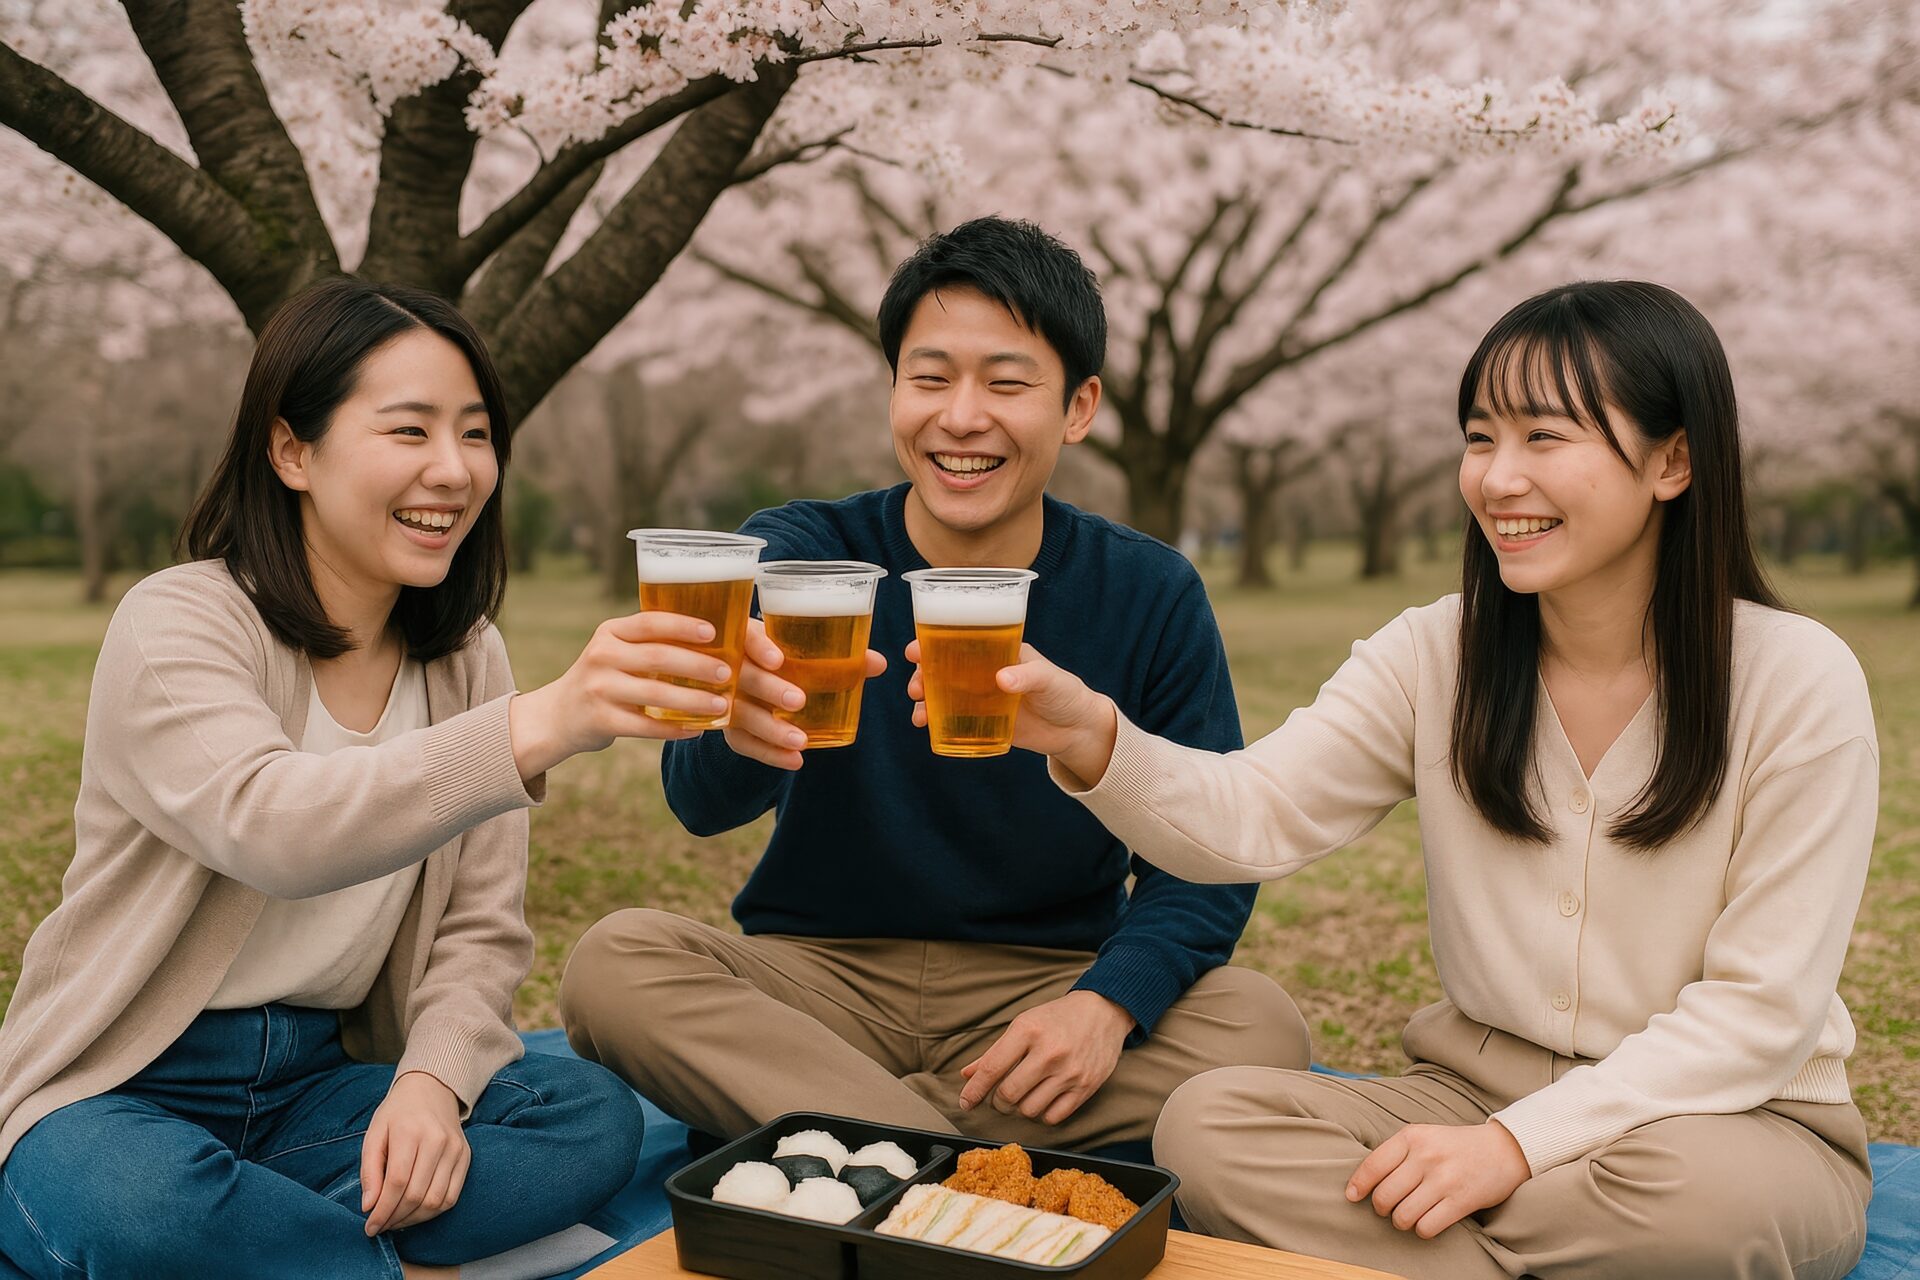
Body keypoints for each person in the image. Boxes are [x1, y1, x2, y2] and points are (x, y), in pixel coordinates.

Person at [961, 280, 1876, 1278]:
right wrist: (1095, 735)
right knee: (1210, 1122)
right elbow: (1253, 818)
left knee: (1710, 1212)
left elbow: (1758, 1016)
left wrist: (1513, 1150)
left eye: (1545, 437)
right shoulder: (1434, 652)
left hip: (1722, 1120)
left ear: (1674, 459)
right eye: (1481, 438)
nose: (1497, 478)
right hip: (1466, 1094)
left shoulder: (1796, 678)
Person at [0, 278, 734, 1280]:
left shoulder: (465, 654)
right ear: (291, 447)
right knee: (143, 1205)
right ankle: (334, 1250)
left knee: (586, 1112)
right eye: (410, 430)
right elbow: (276, 827)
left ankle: (275, 1241)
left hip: (322, 1085)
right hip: (126, 1080)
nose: (452, 469)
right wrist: (546, 722)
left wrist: (430, 1084)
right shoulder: (179, 623)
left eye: (475, 434)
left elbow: (481, 928)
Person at [559, 217, 1307, 1152]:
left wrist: (1108, 1005)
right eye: (930, 377)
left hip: (1040, 992)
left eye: (1006, 382)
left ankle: (842, 1131)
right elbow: (699, 806)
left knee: (1260, 1022)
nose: (961, 417)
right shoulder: (801, 555)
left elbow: (1206, 855)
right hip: (820, 980)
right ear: (893, 392)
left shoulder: (1149, 590)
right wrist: (739, 730)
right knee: (613, 963)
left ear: (1078, 408)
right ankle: (941, 1145)